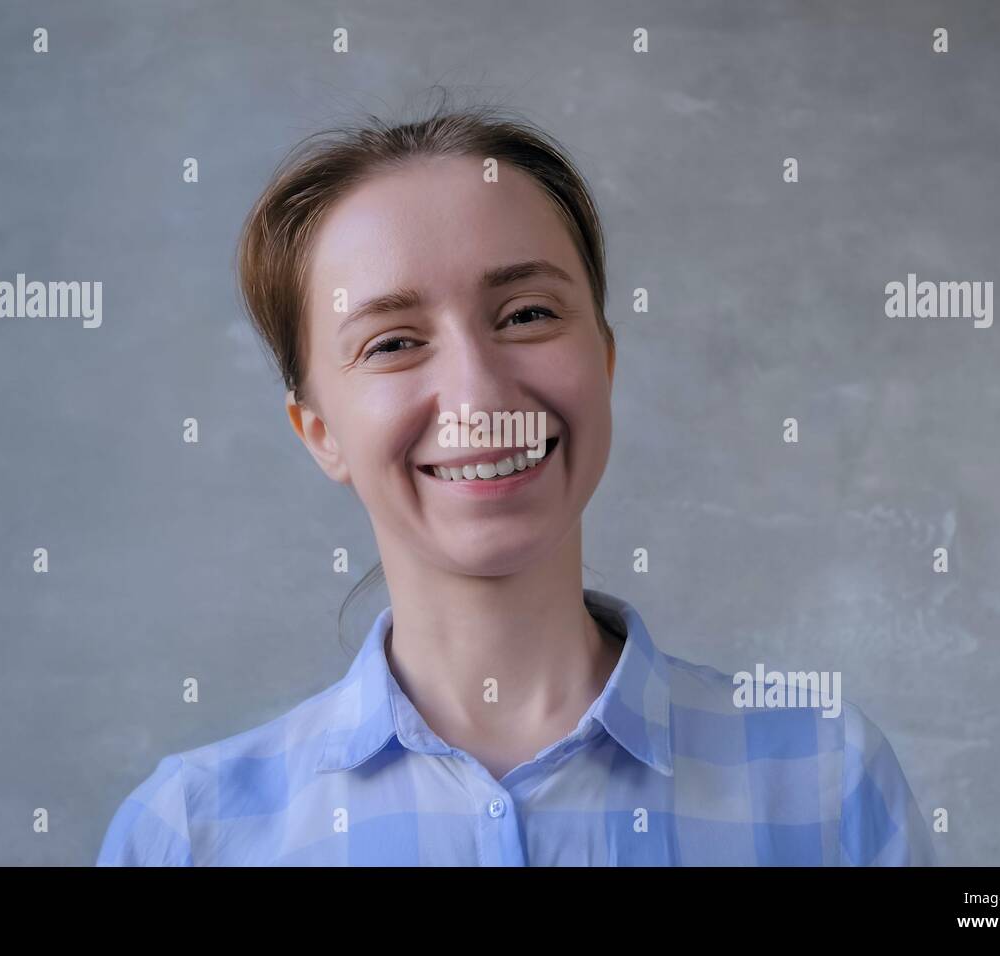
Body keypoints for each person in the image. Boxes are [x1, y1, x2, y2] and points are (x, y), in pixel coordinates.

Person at [97, 99, 937, 866]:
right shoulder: (188, 836)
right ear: (320, 432)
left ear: (603, 361)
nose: (479, 395)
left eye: (527, 315)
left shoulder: (826, 786)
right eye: (392, 342)